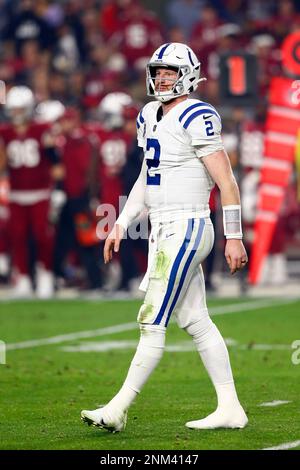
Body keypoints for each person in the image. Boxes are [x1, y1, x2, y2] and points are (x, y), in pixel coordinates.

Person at [81, 42, 248, 432]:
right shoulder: (148, 115)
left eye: (170, 72)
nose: (162, 78)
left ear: (188, 75)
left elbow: (227, 181)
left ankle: (117, 409)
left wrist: (234, 236)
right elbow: (145, 176)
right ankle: (230, 407)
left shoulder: (197, 114)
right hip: (162, 227)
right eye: (158, 71)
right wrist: (121, 223)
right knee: (195, 320)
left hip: (188, 225)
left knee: (152, 322)